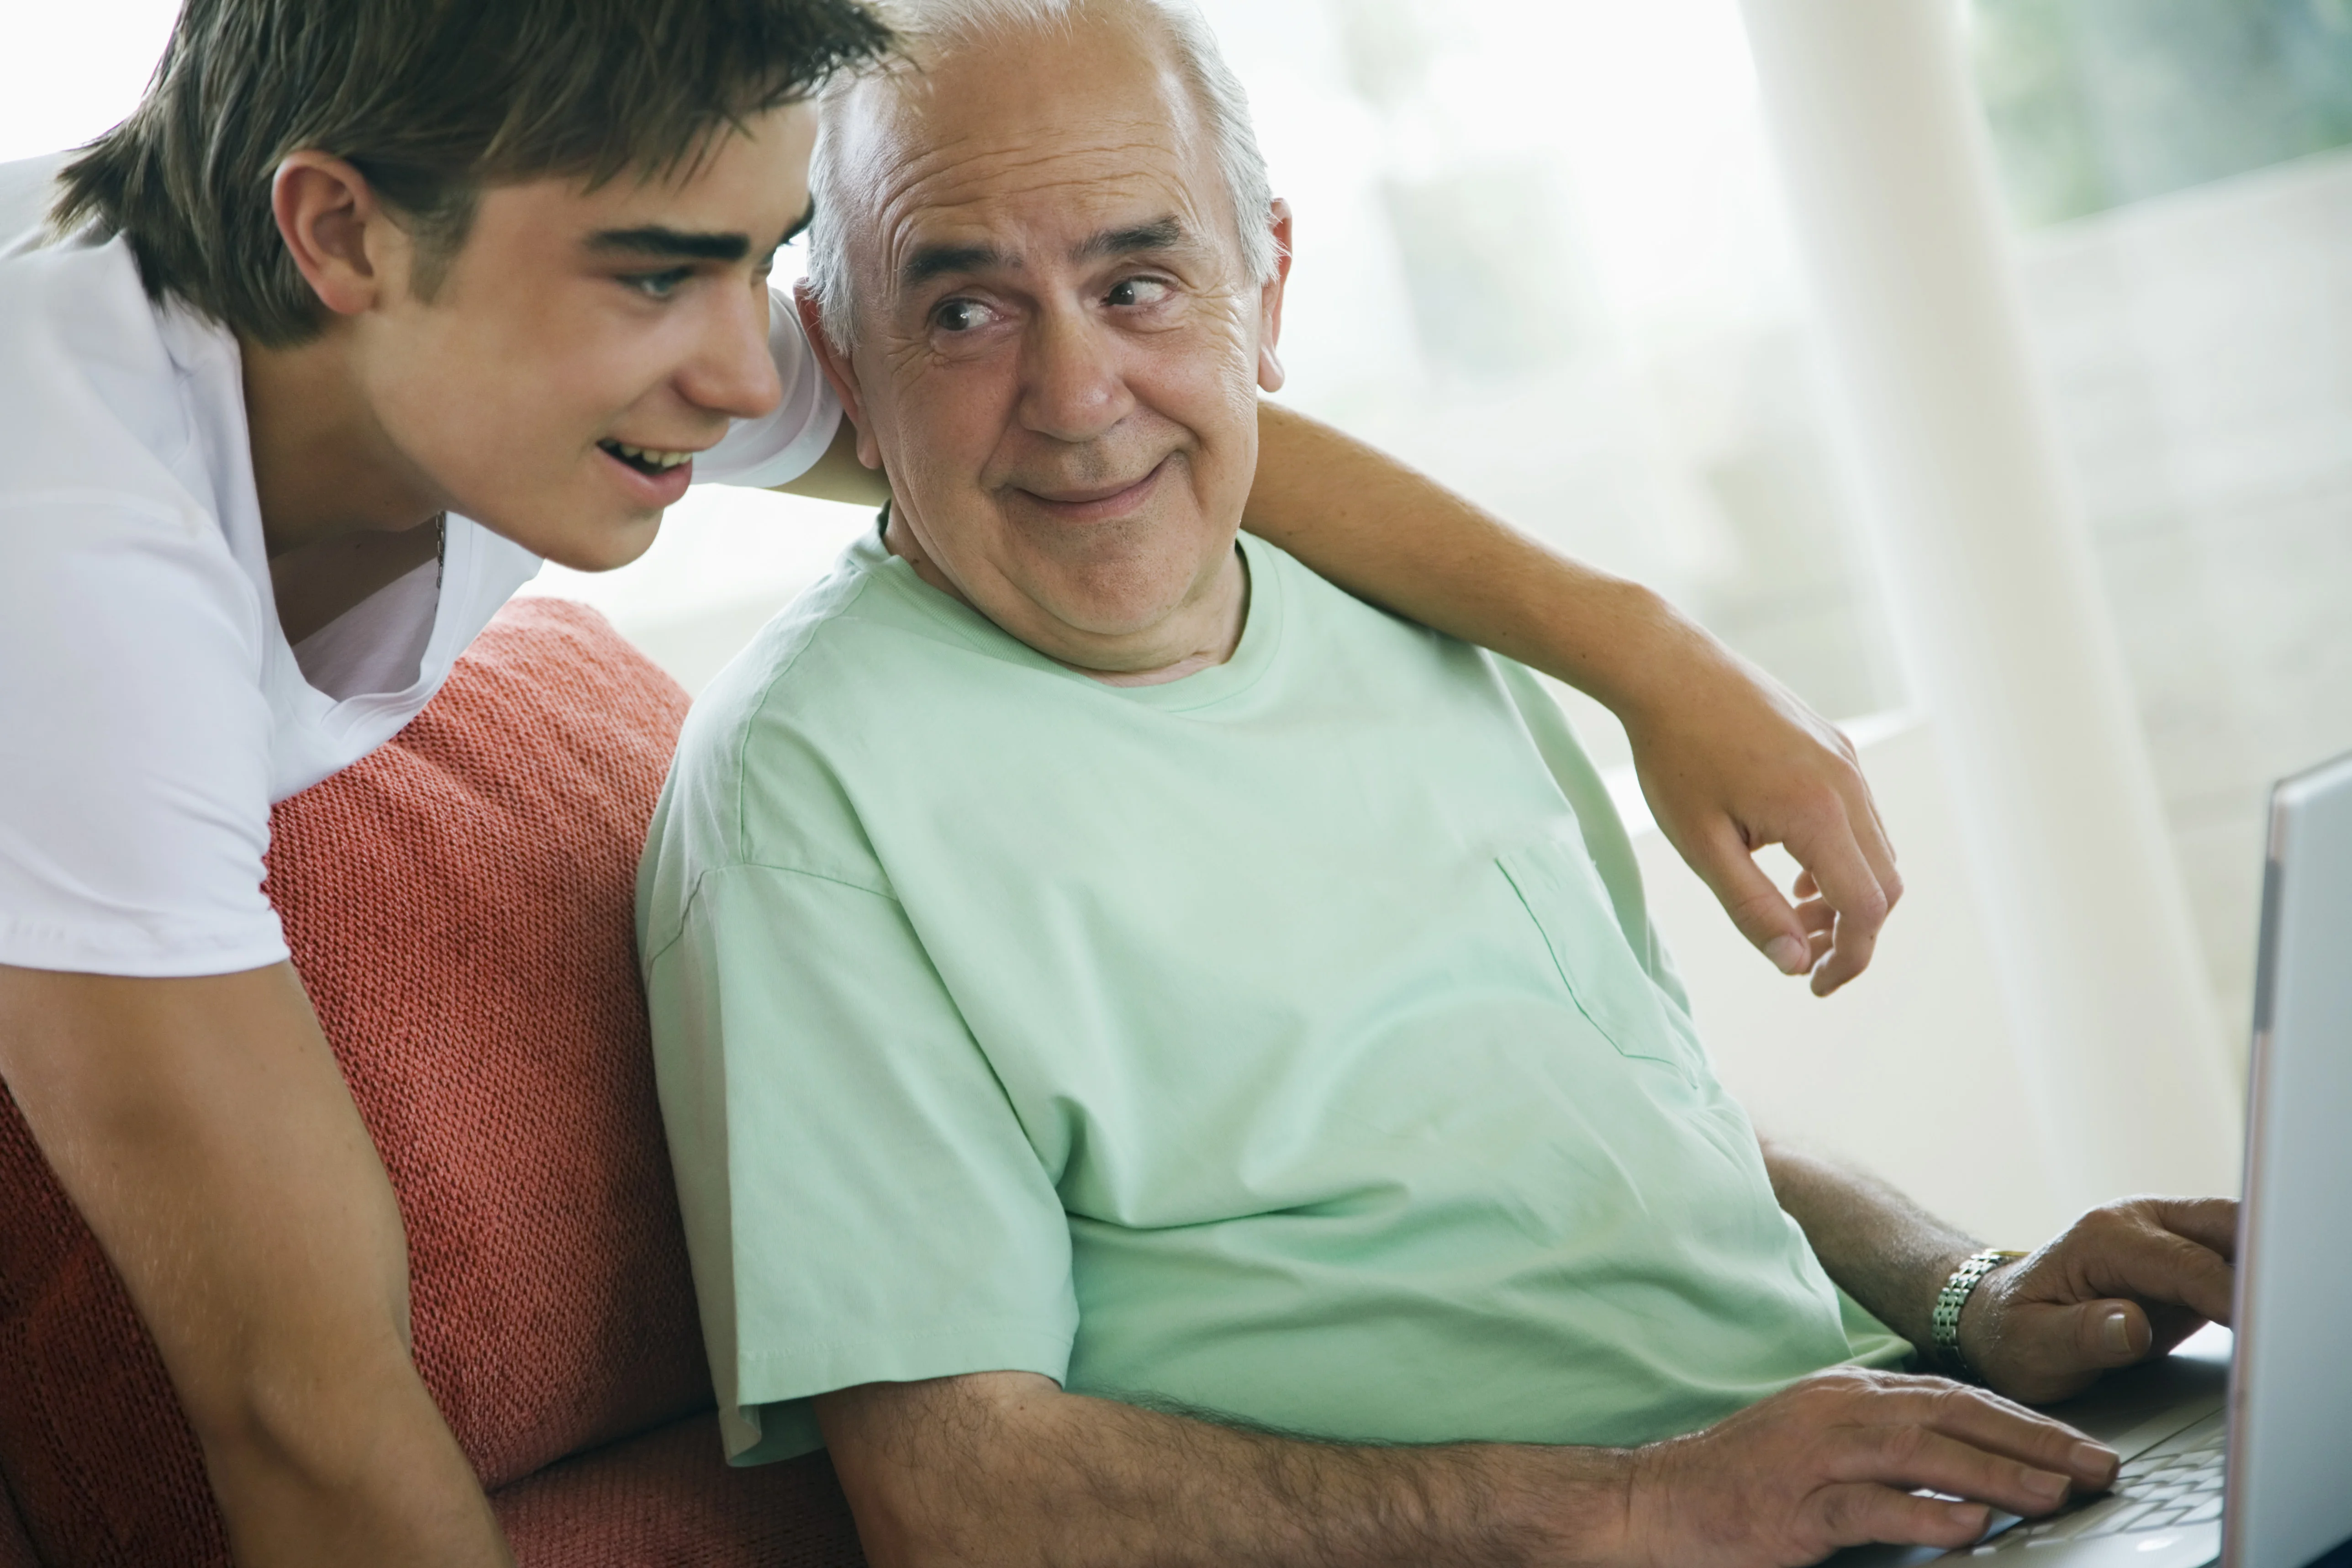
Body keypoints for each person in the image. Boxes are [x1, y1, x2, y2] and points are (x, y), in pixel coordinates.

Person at [0, 0, 1895, 1560]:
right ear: (335, 233)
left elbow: (1158, 425)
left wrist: (1655, 662)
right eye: (668, 277)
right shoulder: (69, 560)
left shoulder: (510, 334)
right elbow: (306, 1423)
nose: (756, 380)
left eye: (764, 264)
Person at [635, 3, 2241, 1564]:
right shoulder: (803, 795)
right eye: (966, 313)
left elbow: (1624, 1107)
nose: (1076, 398)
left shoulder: (1402, 616)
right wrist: (1640, 1508)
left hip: (1863, 1476)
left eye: (1138, 282)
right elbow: (964, 1500)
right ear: (840, 355)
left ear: (1264, 290)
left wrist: (1966, 1294)